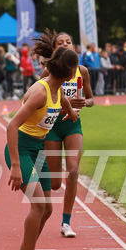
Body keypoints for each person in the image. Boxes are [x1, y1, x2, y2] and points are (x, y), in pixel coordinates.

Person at [5, 45, 79, 250]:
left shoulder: (56, 89)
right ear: (70, 73)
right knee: (38, 205)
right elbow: (11, 126)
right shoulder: (41, 91)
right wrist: (16, 166)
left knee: (47, 209)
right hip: (22, 149)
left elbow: (63, 101)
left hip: (39, 149)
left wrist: (71, 113)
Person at [40, 30, 94, 239]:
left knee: (73, 170)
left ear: (73, 46)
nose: (65, 45)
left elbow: (91, 99)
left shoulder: (82, 71)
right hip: (53, 126)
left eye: (68, 42)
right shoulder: (46, 74)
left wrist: (83, 103)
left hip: (73, 125)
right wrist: (64, 105)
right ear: (54, 50)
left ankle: (66, 222)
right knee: (54, 183)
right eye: (60, 43)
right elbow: (39, 101)